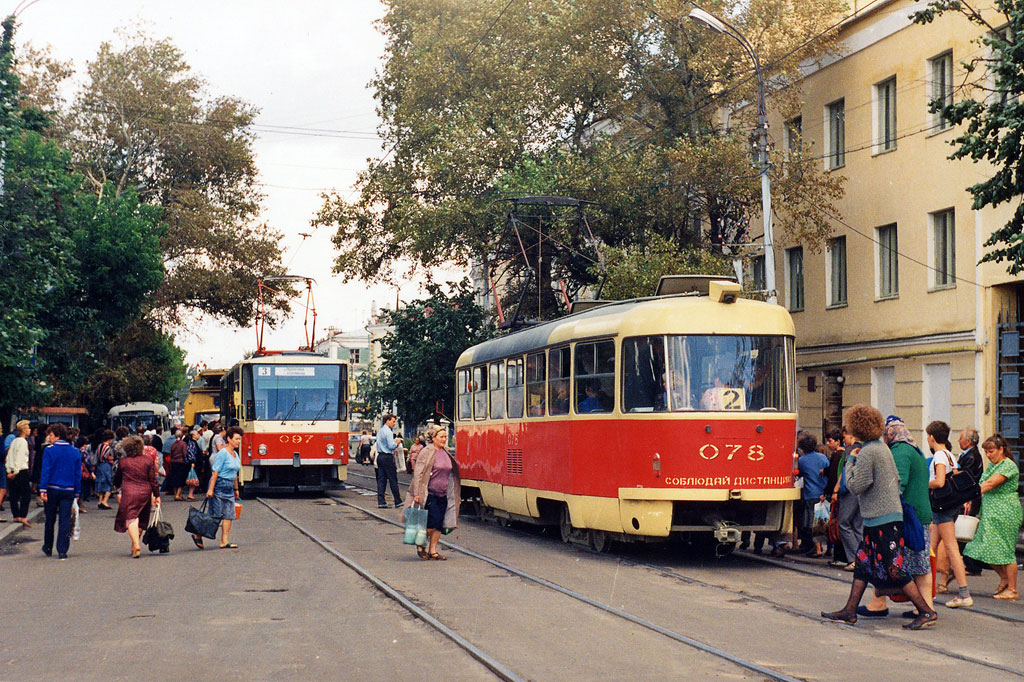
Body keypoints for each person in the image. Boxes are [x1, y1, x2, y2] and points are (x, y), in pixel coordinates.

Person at [821, 404, 937, 630]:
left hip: (882, 520)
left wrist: (850, 460)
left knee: (897, 570)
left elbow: (854, 486)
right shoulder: (882, 448)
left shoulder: (868, 452)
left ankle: (926, 611)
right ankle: (850, 610)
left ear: (858, 428)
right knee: (863, 565)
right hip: (882, 518)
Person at [859, 416, 934, 618]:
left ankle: (920, 608)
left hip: (907, 515)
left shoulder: (900, 452)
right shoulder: (914, 449)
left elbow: (896, 486)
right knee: (917, 563)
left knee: (898, 561)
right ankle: (923, 605)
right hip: (919, 512)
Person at [964, 434, 1023, 600]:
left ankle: (1012, 589)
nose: (988, 455)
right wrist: (970, 497)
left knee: (1006, 550)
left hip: (1005, 512)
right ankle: (1004, 578)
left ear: (1001, 450)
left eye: (991, 451)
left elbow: (990, 484)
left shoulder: (1008, 466)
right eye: (986, 452)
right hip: (991, 511)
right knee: (983, 547)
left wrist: (968, 495)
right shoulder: (993, 465)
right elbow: (981, 483)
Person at [926, 420, 973, 608]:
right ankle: (926, 590)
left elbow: (939, 482)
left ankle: (964, 593)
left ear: (931, 437)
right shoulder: (950, 455)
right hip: (950, 506)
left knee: (952, 548)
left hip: (941, 506)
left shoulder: (939, 455)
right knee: (931, 546)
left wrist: (923, 482)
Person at [403, 426, 460, 561]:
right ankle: (420, 542)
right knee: (432, 521)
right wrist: (417, 493)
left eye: (446, 437)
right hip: (430, 493)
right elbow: (418, 473)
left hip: (443, 494)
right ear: (433, 438)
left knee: (439, 523)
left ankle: (433, 551)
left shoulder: (445, 452)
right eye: (441, 437)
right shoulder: (427, 451)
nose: (444, 439)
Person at [113, 435, 160, 558]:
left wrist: (115, 486)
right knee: (142, 519)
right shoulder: (148, 460)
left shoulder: (123, 461)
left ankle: (136, 544)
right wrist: (157, 495)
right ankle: (135, 545)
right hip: (145, 491)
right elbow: (153, 479)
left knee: (131, 517)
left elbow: (117, 478)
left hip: (129, 491)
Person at [39, 423, 81, 560]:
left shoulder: (49, 450)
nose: (49, 438)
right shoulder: (75, 451)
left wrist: (42, 488)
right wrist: (77, 492)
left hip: (52, 488)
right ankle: (62, 549)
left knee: (50, 518)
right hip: (68, 490)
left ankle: (48, 546)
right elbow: (77, 474)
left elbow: (46, 470)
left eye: (51, 435)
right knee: (65, 519)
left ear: (57, 436)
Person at [198, 425, 243, 550]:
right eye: (236, 439)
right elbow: (215, 472)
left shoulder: (235, 454)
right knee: (215, 515)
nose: (238, 441)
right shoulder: (222, 453)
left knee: (229, 515)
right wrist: (210, 489)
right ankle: (198, 533)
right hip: (219, 485)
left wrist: (236, 489)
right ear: (229, 439)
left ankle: (224, 541)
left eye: (239, 439)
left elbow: (234, 474)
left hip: (229, 487)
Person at [796, 432, 829, 557]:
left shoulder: (802, 460)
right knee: (823, 521)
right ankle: (826, 548)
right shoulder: (823, 457)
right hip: (823, 492)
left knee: (811, 522)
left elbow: (798, 475)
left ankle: (816, 548)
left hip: (810, 494)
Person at [5, 420, 33, 526]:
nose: (30, 430)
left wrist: (9, 471)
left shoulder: (14, 441)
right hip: (21, 470)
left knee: (14, 494)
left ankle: (16, 515)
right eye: (28, 428)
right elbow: (20, 458)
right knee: (26, 494)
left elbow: (10, 457)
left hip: (12, 470)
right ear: (24, 430)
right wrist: (16, 471)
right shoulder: (23, 442)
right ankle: (23, 516)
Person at [375, 414, 402, 508]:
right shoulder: (388, 432)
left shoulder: (380, 431)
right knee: (392, 479)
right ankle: (397, 500)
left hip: (380, 456)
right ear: (388, 421)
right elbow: (391, 446)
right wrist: (397, 442)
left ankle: (381, 501)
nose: (394, 424)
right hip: (387, 457)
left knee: (381, 479)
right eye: (393, 421)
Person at [94, 430, 116, 509]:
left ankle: (100, 501)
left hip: (99, 465)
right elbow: (108, 457)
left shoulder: (99, 446)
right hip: (106, 465)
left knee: (101, 482)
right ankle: (105, 501)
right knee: (108, 483)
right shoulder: (108, 448)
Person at [166, 430, 189, 500]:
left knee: (174, 478)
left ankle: (175, 494)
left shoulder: (173, 444)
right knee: (181, 478)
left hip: (173, 462)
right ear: (182, 435)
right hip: (181, 462)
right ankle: (178, 495)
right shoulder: (183, 444)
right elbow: (185, 453)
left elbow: (171, 453)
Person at [184, 427, 201, 500]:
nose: (198, 435)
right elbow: (191, 453)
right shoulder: (192, 443)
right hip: (193, 463)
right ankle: (190, 494)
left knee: (192, 478)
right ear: (193, 436)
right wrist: (192, 462)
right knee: (192, 478)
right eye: (197, 434)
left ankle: (191, 494)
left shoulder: (192, 442)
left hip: (193, 462)